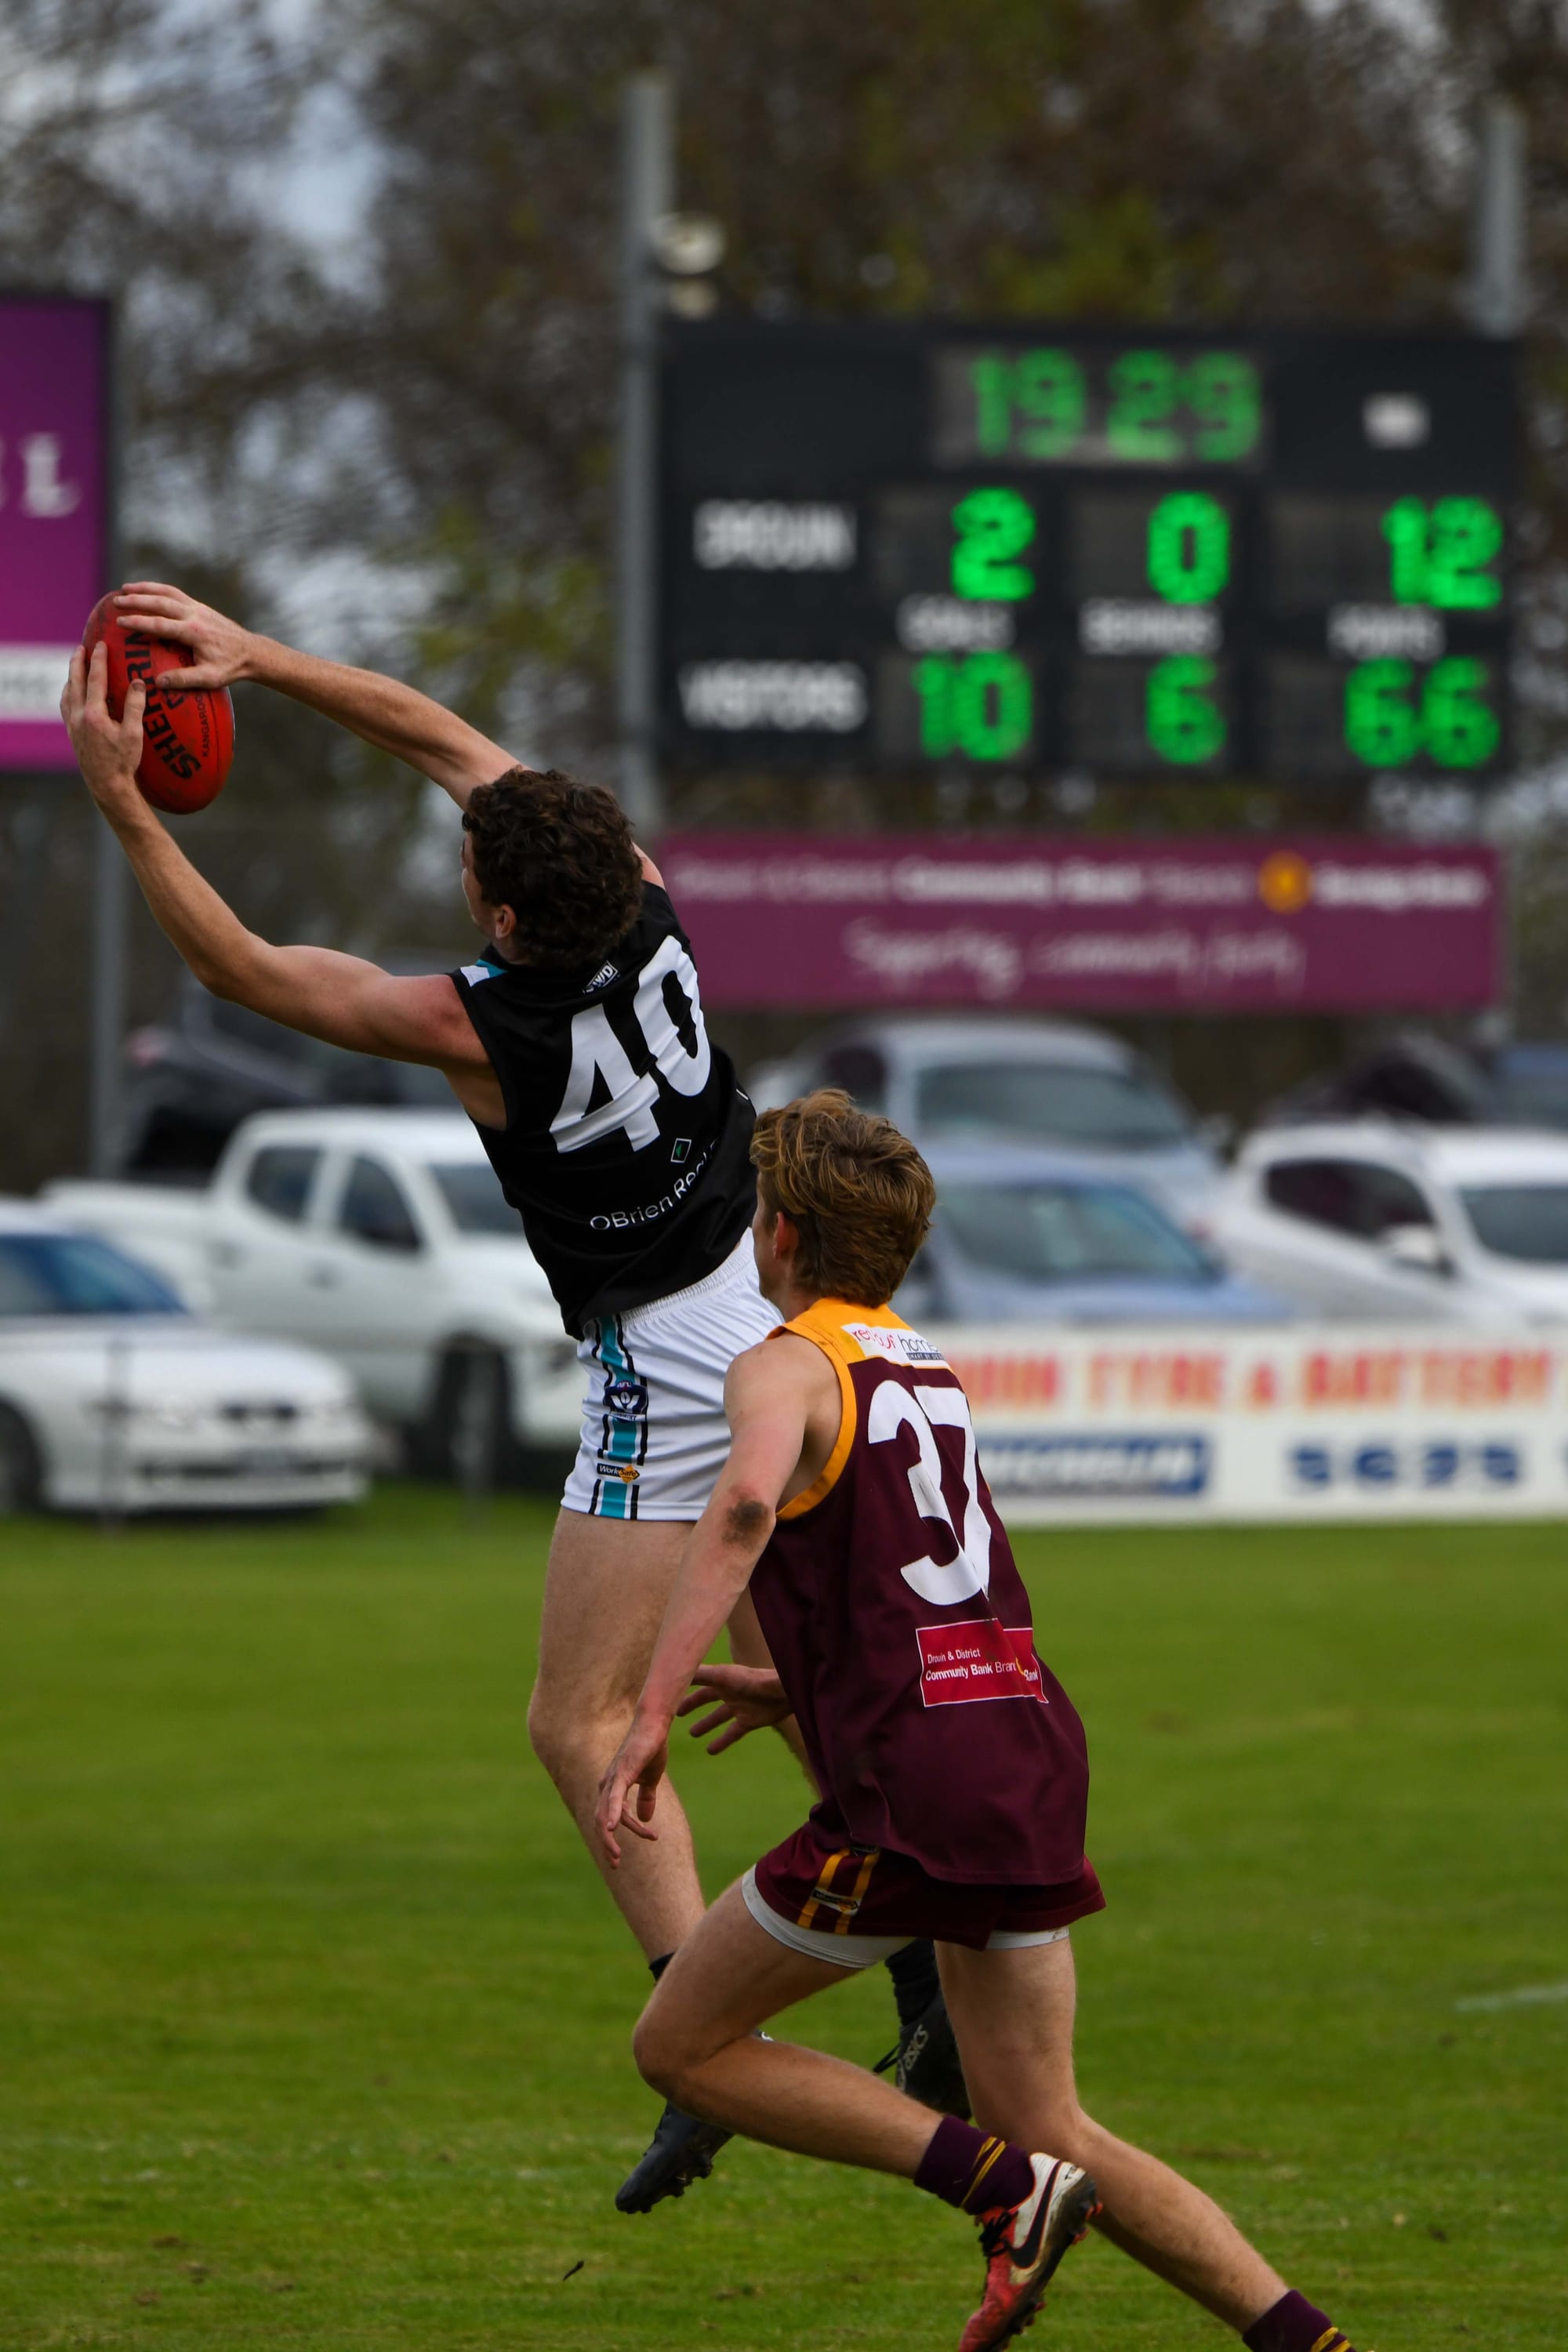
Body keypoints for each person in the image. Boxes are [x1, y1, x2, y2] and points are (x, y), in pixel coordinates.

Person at [60, 593, 962, 2210]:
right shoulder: (652, 901)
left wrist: (127, 804)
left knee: (579, 1721)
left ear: (497, 904)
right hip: (769, 1288)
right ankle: (924, 1978)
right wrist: (259, 659)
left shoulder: (482, 1028)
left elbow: (244, 969)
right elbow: (445, 742)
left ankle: (705, 2035)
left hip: (670, 1348)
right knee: (793, 1669)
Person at [597, 1091, 1364, 2352]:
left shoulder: (782, 1363)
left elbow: (740, 1509)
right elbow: (926, 1579)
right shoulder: (922, 1365)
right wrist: (805, 1685)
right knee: (1050, 2120)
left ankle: (1002, 2191)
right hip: (1019, 1745)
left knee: (682, 2048)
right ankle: (1302, 2338)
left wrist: (644, 1717)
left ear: (779, 1234)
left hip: (919, 1787)